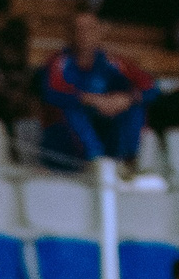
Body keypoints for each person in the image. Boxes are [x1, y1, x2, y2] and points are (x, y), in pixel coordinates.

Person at [38, 11, 148, 169]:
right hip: (66, 142)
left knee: (134, 108)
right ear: (70, 33)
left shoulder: (112, 62)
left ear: (99, 32)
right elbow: (52, 92)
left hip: (105, 130)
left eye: (89, 29)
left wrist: (126, 99)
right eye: (78, 29)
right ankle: (94, 161)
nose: (84, 35)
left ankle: (127, 163)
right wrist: (90, 99)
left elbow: (150, 86)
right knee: (73, 109)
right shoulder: (59, 62)